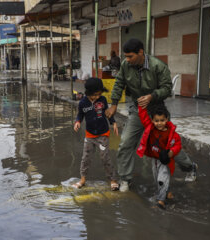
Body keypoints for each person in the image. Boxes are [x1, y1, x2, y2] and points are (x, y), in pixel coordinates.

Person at [105, 38, 197, 192]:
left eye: (130, 56)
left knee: (167, 146)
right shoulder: (125, 65)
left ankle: (190, 167)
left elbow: (168, 88)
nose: (127, 60)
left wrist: (151, 96)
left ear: (141, 52)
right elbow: (119, 83)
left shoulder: (158, 66)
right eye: (125, 57)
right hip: (136, 111)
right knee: (125, 143)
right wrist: (114, 104)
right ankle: (125, 179)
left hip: (157, 112)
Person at [73, 78, 119, 191]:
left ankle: (112, 180)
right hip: (89, 136)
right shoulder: (83, 103)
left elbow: (108, 113)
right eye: (95, 95)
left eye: (99, 94)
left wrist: (113, 123)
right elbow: (80, 115)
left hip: (103, 134)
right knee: (86, 158)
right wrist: (77, 122)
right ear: (89, 93)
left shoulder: (102, 100)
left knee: (105, 157)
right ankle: (83, 179)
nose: (97, 97)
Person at [136, 104, 181, 209]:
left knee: (161, 179)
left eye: (162, 120)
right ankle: (167, 191)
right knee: (158, 179)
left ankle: (161, 201)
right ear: (152, 120)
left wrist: (171, 152)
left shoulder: (172, 133)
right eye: (156, 121)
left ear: (167, 119)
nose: (159, 123)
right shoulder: (150, 128)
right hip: (155, 159)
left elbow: (177, 145)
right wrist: (141, 106)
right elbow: (143, 116)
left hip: (165, 161)